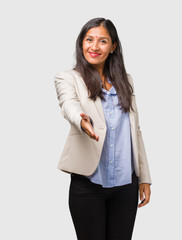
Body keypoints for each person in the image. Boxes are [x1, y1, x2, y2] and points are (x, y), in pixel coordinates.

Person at [53, 17, 152, 240]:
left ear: (113, 46)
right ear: (81, 43)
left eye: (103, 41)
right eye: (89, 40)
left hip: (126, 185)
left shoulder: (126, 81)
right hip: (89, 185)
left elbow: (135, 131)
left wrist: (144, 177)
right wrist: (81, 118)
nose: (94, 47)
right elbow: (68, 103)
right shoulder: (68, 78)